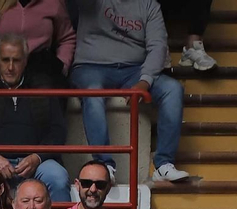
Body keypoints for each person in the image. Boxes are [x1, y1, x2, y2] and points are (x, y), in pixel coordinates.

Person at [71, 0, 191, 184]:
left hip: (133, 69)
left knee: (172, 89)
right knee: (93, 92)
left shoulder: (149, 5)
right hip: (91, 66)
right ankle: (105, 166)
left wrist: (145, 81)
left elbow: (157, 46)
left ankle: (163, 164)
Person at [0, 39, 71, 203]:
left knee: (58, 178)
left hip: (37, 164)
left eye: (16, 60)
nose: (10, 67)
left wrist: (37, 157)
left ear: (25, 61)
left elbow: (58, 132)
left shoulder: (43, 86)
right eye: (5, 60)